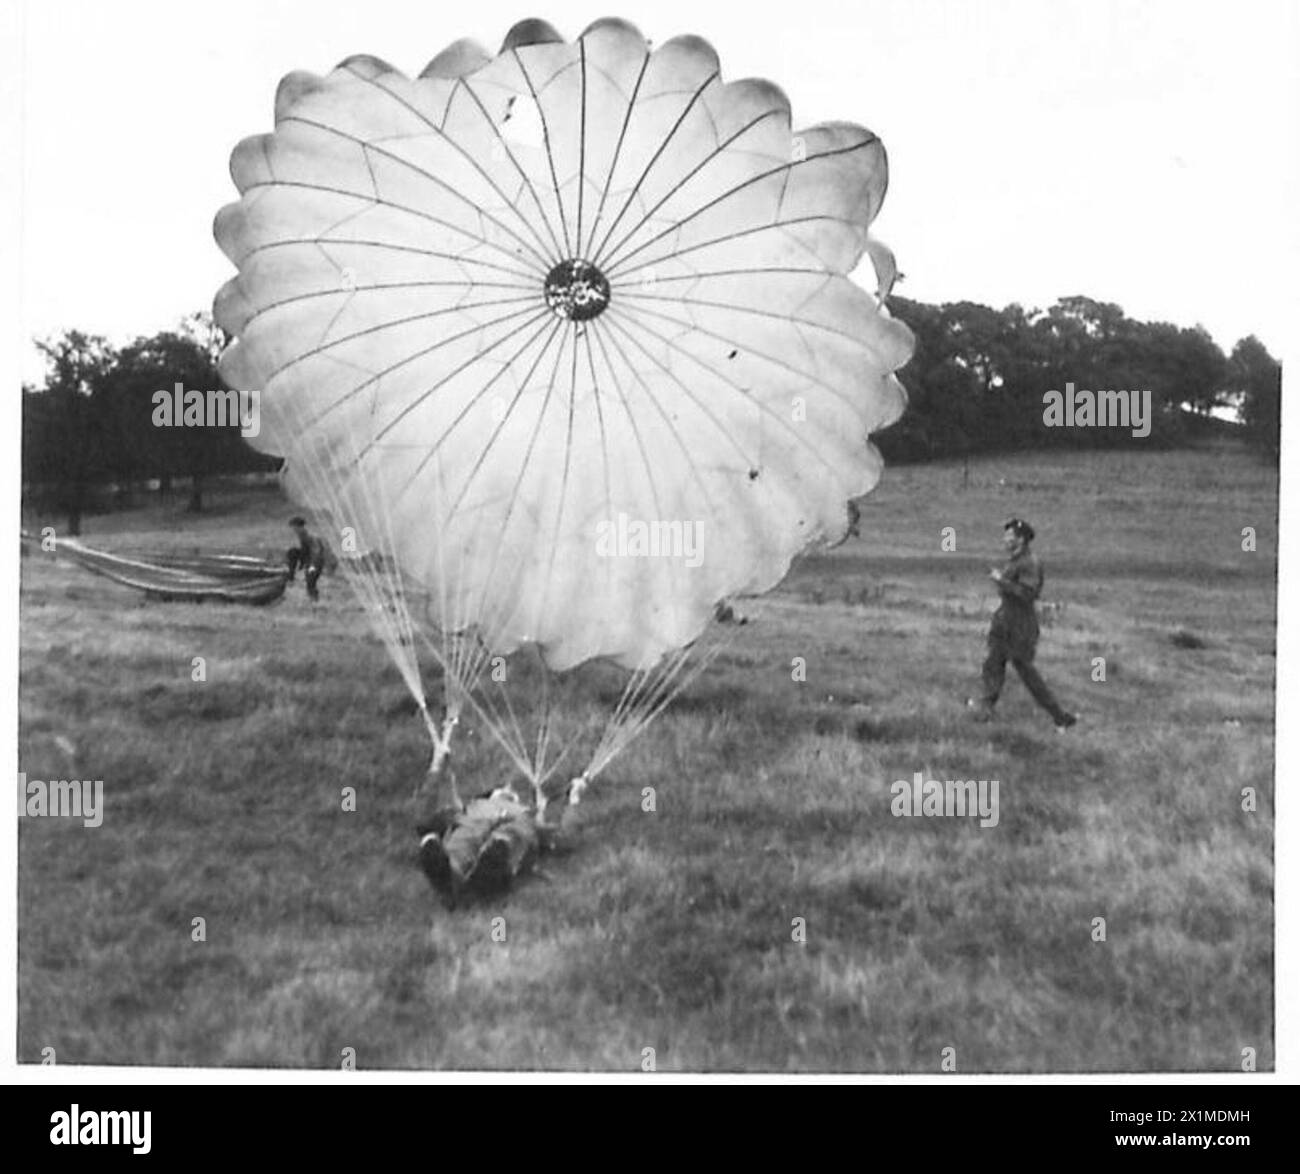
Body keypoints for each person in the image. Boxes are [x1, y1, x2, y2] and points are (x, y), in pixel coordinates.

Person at [970, 518, 1076, 730]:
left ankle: (1059, 715)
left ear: (1021, 539)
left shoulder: (1030, 563)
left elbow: (1027, 594)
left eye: (1009, 536)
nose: (1005, 540)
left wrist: (1001, 580)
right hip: (1005, 621)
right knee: (993, 664)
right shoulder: (1016, 560)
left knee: (1027, 672)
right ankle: (985, 709)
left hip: (1020, 625)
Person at [286, 516, 332, 601]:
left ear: (299, 527)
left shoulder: (308, 536)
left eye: (294, 527)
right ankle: (291, 577)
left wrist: (310, 565)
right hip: (312, 560)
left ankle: (315, 600)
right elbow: (305, 551)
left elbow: (316, 552)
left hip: (315, 562)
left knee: (310, 582)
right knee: (292, 552)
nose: (294, 530)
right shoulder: (303, 535)